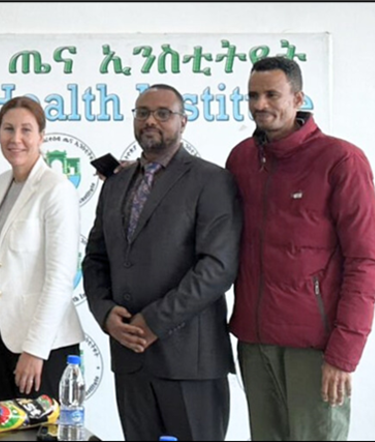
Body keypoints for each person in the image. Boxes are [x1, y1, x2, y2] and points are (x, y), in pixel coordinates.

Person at [226, 56, 375, 441]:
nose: (260, 104)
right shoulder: (241, 159)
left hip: (315, 349)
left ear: (298, 99)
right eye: (253, 95)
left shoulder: (341, 160)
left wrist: (344, 353)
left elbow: (366, 261)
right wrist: (140, 173)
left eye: (271, 94)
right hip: (255, 344)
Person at [83, 84, 241, 441]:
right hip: (130, 359)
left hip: (190, 362)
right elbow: (95, 258)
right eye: (142, 113)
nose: (150, 120)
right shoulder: (116, 183)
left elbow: (217, 267)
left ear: (183, 121)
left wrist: (154, 322)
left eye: (163, 113)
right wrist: (105, 314)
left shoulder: (212, 180)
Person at [0, 96, 84, 404]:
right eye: (8, 129)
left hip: (43, 344)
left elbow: (60, 278)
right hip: (0, 332)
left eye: (26, 130)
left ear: (41, 136)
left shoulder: (56, 189)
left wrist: (35, 349)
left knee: (40, 428)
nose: (16, 139)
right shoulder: (2, 183)